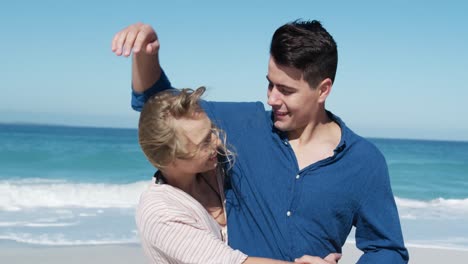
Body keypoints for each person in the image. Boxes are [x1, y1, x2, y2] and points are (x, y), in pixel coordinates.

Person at [112, 20, 409, 263]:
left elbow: (387, 249)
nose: (271, 98)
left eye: (285, 90)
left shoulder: (364, 162)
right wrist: (146, 54)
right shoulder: (242, 124)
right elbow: (162, 110)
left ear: (323, 89)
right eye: (269, 83)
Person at [136, 87, 340, 264]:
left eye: (212, 131)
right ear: (171, 159)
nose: (217, 142)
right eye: (204, 142)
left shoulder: (217, 168)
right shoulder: (160, 212)